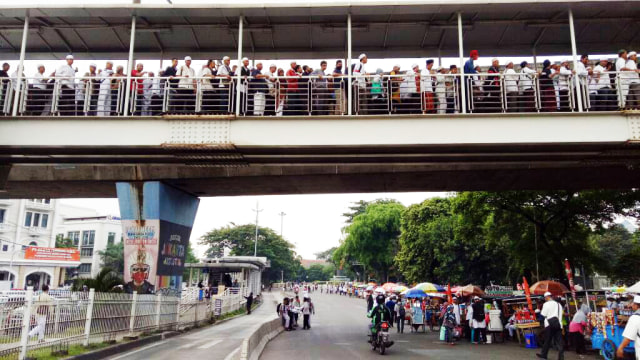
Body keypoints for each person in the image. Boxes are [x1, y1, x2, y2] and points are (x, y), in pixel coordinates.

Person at [537, 292, 565, 360]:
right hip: (558, 325)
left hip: (549, 325)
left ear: (547, 297)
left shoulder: (546, 304)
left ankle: (544, 355)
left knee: (547, 340)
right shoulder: (559, 304)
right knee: (559, 342)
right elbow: (561, 314)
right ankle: (561, 357)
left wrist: (538, 314)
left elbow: (543, 315)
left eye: (545, 298)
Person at [617, 295, 640, 359]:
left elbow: (628, 337)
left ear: (636, 305)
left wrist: (621, 348)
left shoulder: (635, 317)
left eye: (633, 303)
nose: (632, 305)